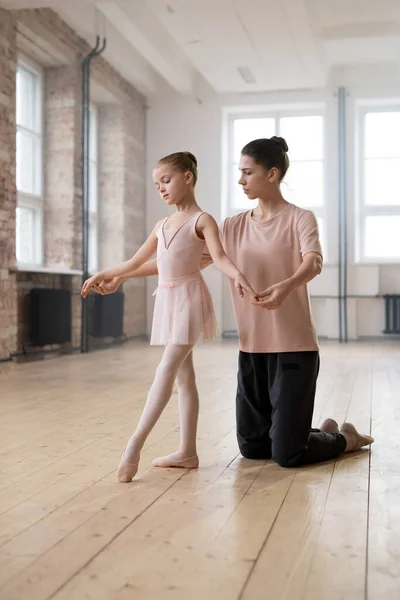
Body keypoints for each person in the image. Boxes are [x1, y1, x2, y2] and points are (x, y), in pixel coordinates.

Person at [94, 137, 374, 468]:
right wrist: (122, 276)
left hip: (293, 348)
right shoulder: (231, 226)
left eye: (247, 172)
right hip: (251, 349)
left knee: (287, 455)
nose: (240, 180)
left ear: (272, 174)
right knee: (254, 448)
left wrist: (286, 286)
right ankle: (314, 432)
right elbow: (178, 262)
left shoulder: (301, 218)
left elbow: (313, 262)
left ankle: (344, 438)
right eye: (239, 173)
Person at [81, 151, 256, 482]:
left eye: (166, 180)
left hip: (190, 299)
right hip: (168, 299)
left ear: (187, 177)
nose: (160, 188)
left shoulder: (202, 220)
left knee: (167, 367)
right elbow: (136, 262)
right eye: (156, 183)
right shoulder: (161, 225)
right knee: (183, 375)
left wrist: (238, 276)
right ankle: (187, 451)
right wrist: (107, 273)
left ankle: (134, 445)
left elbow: (218, 258)